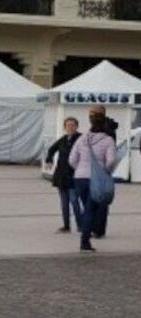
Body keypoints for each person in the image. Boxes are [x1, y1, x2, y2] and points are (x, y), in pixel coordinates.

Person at [67, 107, 117, 251]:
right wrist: (106, 171)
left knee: (87, 208)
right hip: (97, 179)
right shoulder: (108, 140)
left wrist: (80, 169)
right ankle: (84, 242)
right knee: (90, 210)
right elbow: (111, 161)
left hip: (80, 178)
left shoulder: (82, 139)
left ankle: (85, 235)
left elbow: (72, 159)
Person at [45, 117, 81, 234]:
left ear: (77, 126)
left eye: (72, 125)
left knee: (74, 201)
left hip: (74, 175)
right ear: (64, 127)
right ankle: (66, 226)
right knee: (64, 203)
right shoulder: (63, 140)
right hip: (61, 175)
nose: (70, 127)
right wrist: (49, 159)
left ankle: (80, 225)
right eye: (67, 125)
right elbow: (51, 149)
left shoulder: (81, 139)